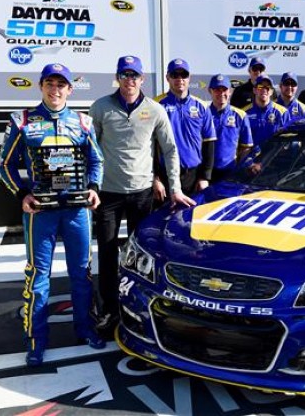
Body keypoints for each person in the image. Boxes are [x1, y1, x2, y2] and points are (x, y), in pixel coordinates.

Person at [0, 63, 106, 366]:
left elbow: (96, 160)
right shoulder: (23, 120)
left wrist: (94, 188)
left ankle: (85, 330)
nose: (55, 90)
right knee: (38, 276)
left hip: (76, 209)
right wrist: (22, 194)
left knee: (81, 274)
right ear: (41, 86)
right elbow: (4, 165)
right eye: (50, 83)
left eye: (61, 84)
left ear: (70, 89)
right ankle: (36, 340)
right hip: (40, 211)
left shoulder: (83, 122)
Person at [90, 56, 194, 339]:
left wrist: (175, 188)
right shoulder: (100, 107)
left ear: (142, 79)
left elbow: (170, 150)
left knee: (141, 254)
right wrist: (91, 186)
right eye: (125, 74)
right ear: (118, 77)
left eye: (135, 75)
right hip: (108, 194)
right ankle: (110, 308)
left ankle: (137, 303)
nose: (130, 80)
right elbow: (91, 150)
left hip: (141, 193)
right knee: (108, 251)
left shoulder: (155, 110)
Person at [156, 58, 217, 194]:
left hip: (193, 177)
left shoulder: (201, 106)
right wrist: (155, 178)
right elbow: (150, 145)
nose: (180, 79)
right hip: (165, 176)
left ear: (189, 78)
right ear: (167, 78)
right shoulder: (156, 105)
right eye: (175, 75)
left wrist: (204, 177)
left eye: (183, 75)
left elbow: (209, 143)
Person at [208, 74, 254, 182]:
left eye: (224, 90)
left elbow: (246, 147)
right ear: (210, 91)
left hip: (230, 172)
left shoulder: (240, 115)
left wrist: (240, 171)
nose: (221, 93)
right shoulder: (203, 114)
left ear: (230, 92)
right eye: (217, 90)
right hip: (206, 173)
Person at [243, 74, 290, 147]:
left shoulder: (282, 113)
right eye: (260, 87)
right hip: (252, 157)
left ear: (271, 92)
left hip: (273, 157)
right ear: (254, 90)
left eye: (267, 87)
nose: (264, 90)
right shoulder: (244, 113)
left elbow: (288, 141)